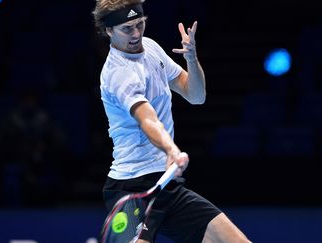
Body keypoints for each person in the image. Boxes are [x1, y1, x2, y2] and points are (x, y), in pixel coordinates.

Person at [93, 0, 252, 242]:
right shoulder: (119, 74)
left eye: (139, 24)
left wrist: (191, 58)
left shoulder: (151, 49)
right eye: (127, 29)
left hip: (165, 184)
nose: (136, 34)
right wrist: (171, 149)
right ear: (108, 31)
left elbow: (195, 95)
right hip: (132, 187)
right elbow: (148, 119)